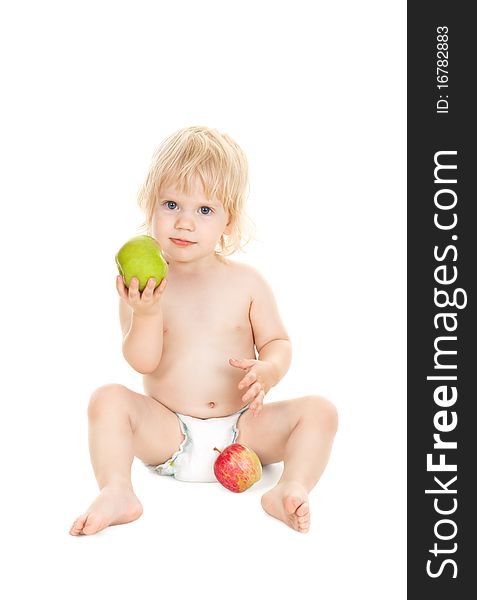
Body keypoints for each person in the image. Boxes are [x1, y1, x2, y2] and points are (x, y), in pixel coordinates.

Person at [69, 126, 338, 536]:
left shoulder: (248, 283)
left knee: (320, 411)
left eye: (205, 210)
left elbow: (277, 342)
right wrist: (146, 313)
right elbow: (142, 361)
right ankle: (117, 490)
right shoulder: (145, 287)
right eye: (171, 204)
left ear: (229, 221)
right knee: (106, 400)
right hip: (169, 432)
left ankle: (289, 487)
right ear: (150, 207)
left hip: (245, 429)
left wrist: (268, 370)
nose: (184, 222)